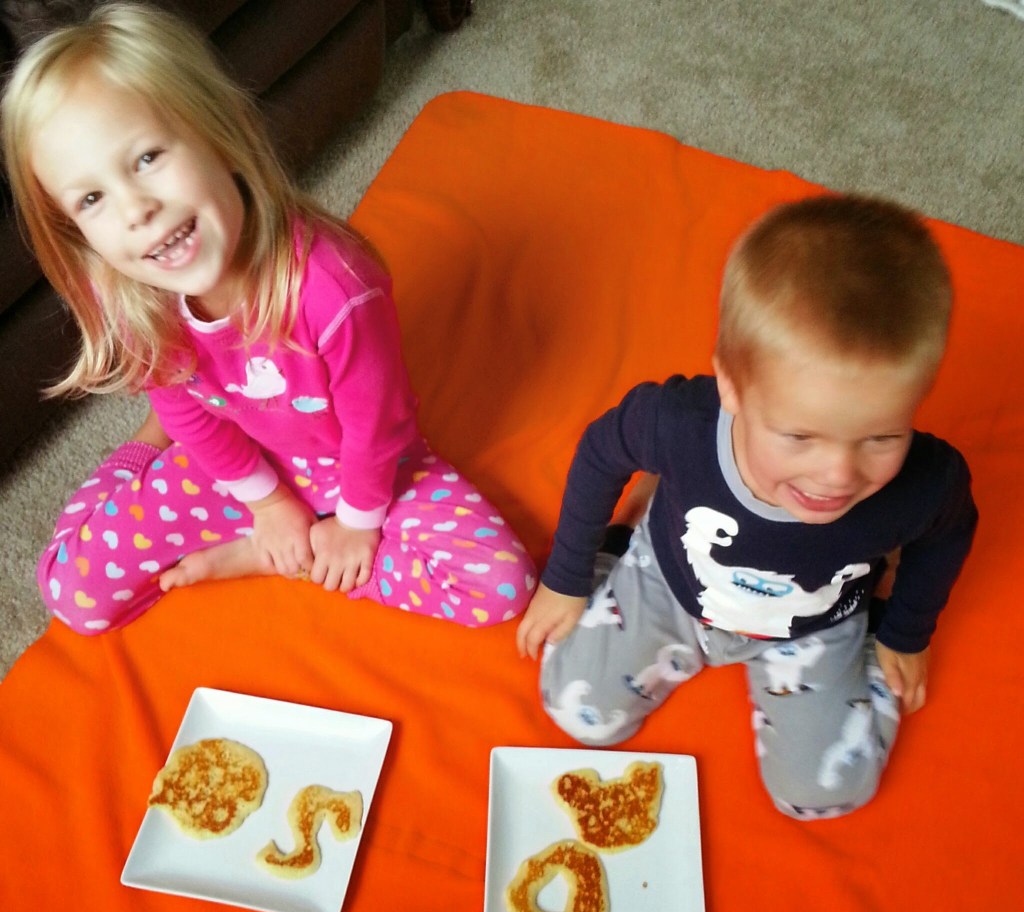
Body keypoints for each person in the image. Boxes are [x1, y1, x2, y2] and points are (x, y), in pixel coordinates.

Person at [2, 2, 535, 633]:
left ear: (218, 132)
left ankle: (267, 558)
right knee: (71, 593)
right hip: (237, 461)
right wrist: (268, 502)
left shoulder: (336, 288)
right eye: (92, 198)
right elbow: (189, 414)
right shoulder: (135, 291)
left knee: (501, 586)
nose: (135, 209)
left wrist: (356, 526)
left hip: (357, 464)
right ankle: (145, 444)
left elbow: (377, 428)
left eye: (147, 158)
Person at [516, 193, 977, 819]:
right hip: (672, 582)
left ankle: (861, 635)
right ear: (731, 388)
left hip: (817, 620)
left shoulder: (924, 481)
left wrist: (906, 632)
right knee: (576, 711)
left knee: (823, 795)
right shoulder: (680, 424)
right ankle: (629, 537)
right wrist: (568, 577)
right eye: (800, 436)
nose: (839, 475)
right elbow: (602, 450)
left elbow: (950, 530)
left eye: (881, 437)